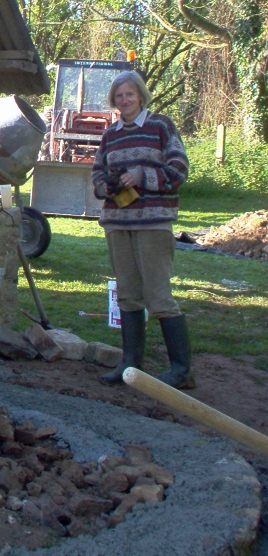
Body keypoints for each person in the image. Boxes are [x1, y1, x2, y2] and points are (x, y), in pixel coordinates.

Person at [91, 70, 194, 389]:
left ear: (141, 96)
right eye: (119, 96)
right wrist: (105, 186)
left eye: (130, 94)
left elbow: (179, 170)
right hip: (118, 224)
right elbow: (96, 174)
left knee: (159, 296)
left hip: (153, 223)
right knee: (128, 295)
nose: (125, 100)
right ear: (114, 100)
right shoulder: (110, 135)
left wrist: (141, 175)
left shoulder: (161, 126)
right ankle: (130, 363)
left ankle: (181, 370)